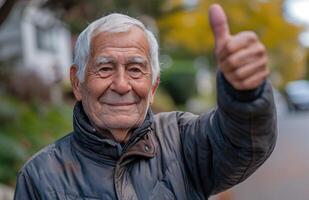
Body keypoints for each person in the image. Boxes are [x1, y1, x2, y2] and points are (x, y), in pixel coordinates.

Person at [14, 4, 277, 200]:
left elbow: (242, 144)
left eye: (136, 69)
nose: (121, 84)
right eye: (105, 68)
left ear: (153, 86)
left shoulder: (183, 139)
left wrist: (245, 94)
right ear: (77, 82)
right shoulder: (39, 176)